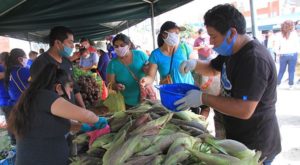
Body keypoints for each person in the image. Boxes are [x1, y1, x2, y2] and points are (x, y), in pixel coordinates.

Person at [177, 4, 281, 164]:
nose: (211, 42)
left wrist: (203, 99)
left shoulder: (254, 59)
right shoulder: (231, 51)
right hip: (237, 136)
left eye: (213, 36)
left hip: (255, 146)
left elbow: (244, 108)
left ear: (232, 33)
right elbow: (212, 68)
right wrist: (194, 64)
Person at [8, 64, 108, 165]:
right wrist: (99, 120)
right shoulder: (46, 97)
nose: (71, 91)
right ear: (59, 87)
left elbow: (60, 125)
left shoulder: (36, 98)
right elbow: (87, 115)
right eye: (70, 86)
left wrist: (84, 127)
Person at [140, 21, 196, 112]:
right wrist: (145, 80)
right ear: (164, 35)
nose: (177, 36)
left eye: (178, 33)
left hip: (188, 92)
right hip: (170, 96)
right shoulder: (156, 54)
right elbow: (151, 77)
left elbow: (196, 65)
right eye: (175, 33)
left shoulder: (184, 48)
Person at [30, 26, 85, 108]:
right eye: (70, 42)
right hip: (54, 114)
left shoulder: (66, 61)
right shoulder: (41, 63)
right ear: (57, 43)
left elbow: (74, 88)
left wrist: (83, 108)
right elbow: (41, 96)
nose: (73, 46)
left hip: (71, 110)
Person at [107, 33, 148, 108]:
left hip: (146, 97)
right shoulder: (112, 64)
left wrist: (147, 69)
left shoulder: (140, 55)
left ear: (129, 45)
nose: (119, 48)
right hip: (126, 102)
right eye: (116, 46)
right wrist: (116, 86)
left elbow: (151, 70)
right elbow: (111, 83)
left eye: (122, 45)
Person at [4, 48, 30, 144]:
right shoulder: (22, 71)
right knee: (26, 132)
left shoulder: (10, 71)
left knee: (19, 133)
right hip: (23, 106)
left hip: (14, 105)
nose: (26, 59)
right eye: (25, 57)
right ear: (20, 59)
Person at [276, 20, 299, 89]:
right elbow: (297, 45)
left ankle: (277, 84)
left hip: (283, 55)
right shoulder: (294, 34)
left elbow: (276, 47)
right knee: (291, 70)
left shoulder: (279, 34)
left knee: (281, 70)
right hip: (293, 54)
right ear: (291, 26)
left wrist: (278, 53)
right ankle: (290, 85)